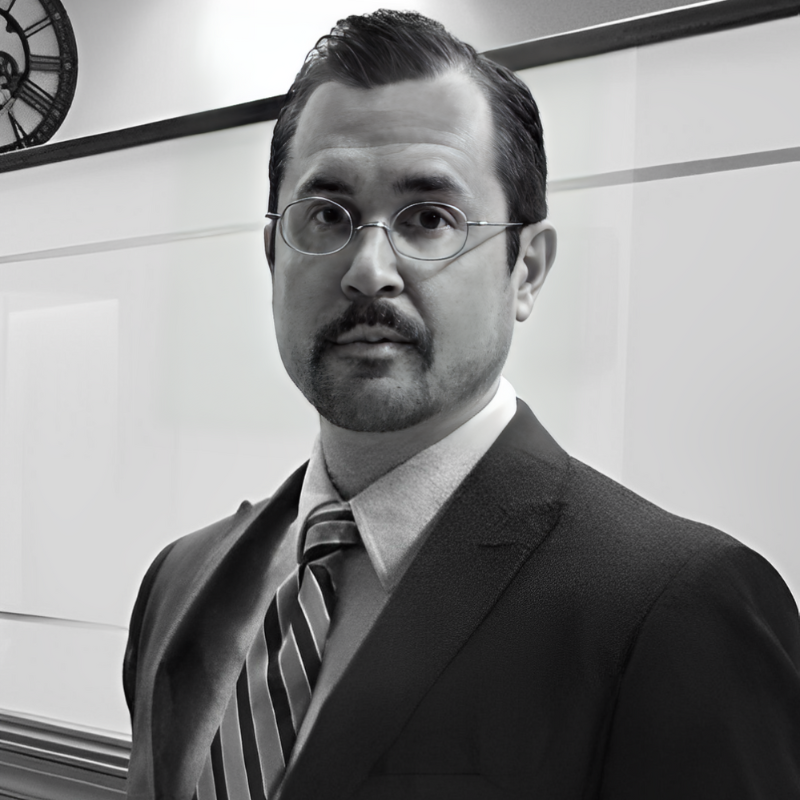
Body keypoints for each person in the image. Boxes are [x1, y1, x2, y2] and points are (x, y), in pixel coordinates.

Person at [123, 10, 800, 800]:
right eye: (326, 215)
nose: (369, 268)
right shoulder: (179, 581)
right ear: (272, 251)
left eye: (431, 218)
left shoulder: (675, 609)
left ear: (528, 270)